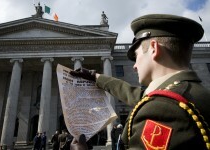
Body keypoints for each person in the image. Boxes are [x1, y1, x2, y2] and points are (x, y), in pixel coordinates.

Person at [70, 14, 210, 149]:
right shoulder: (188, 93)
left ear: (154, 48)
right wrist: (97, 78)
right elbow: (137, 95)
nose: (135, 66)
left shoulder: (164, 109)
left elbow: (154, 103)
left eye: (136, 56)